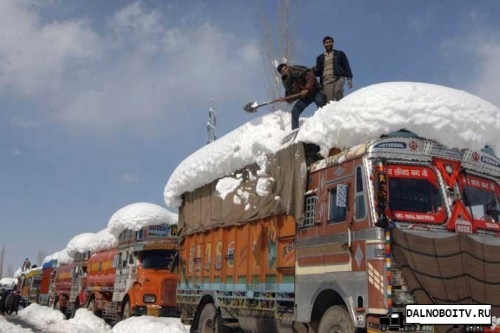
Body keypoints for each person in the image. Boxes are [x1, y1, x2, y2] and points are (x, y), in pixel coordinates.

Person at [277, 63, 326, 130]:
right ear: (281, 74)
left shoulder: (297, 70)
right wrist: (285, 99)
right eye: (283, 71)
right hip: (305, 97)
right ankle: (295, 130)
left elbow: (311, 76)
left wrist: (306, 88)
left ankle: (324, 121)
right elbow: (291, 95)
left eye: (285, 68)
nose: (285, 71)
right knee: (294, 111)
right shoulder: (287, 82)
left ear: (288, 67)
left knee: (320, 101)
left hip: (314, 91)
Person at [314, 36, 353, 102]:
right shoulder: (320, 58)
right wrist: (314, 71)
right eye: (326, 43)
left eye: (330, 42)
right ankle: (332, 112)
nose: (328, 44)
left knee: (338, 92)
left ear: (333, 43)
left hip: (338, 77)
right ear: (324, 44)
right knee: (329, 101)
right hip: (326, 81)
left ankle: (342, 108)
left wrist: (349, 78)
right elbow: (319, 72)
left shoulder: (339, 54)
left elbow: (346, 65)